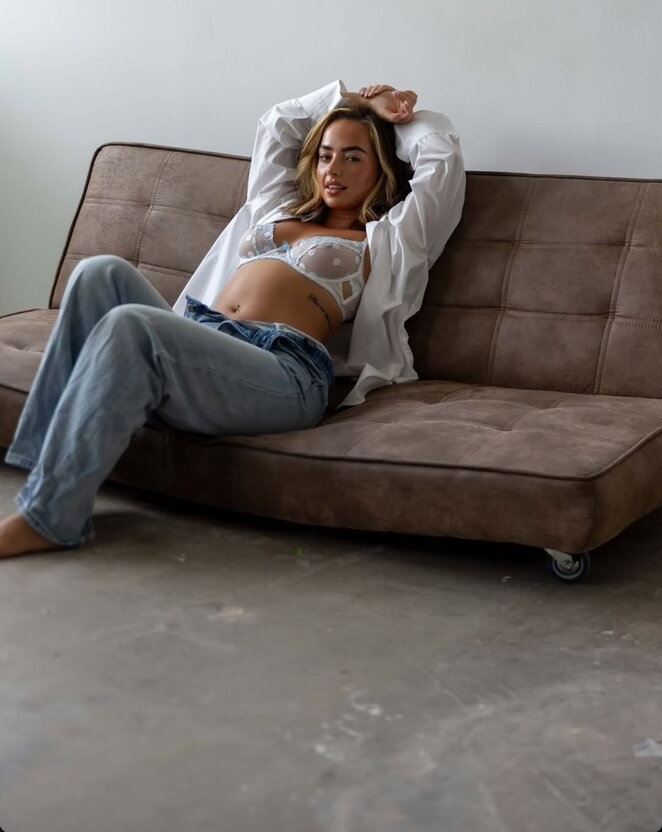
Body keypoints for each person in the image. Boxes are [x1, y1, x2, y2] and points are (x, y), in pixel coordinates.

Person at [0, 80, 465, 559]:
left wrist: (390, 115)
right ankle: (45, 475)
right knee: (98, 273)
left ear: (382, 166)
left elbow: (441, 159)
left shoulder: (391, 238)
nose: (334, 170)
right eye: (326, 156)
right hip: (205, 338)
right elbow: (279, 123)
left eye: (353, 157)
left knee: (132, 326)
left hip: (284, 370)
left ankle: (50, 517)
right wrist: (353, 100)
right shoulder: (276, 207)